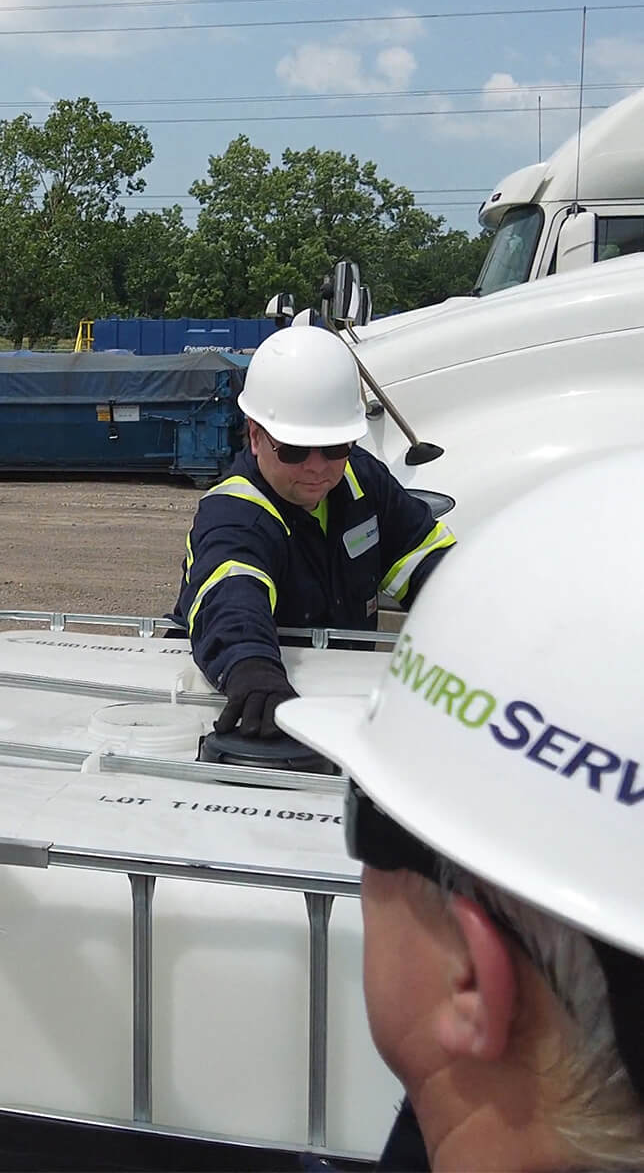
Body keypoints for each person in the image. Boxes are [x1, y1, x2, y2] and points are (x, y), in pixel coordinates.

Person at [279, 450, 644, 1171]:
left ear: (472, 979)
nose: (319, 463)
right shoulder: (241, 510)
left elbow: (420, 550)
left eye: (372, 814)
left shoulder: (364, 488)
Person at [172, 324, 454, 737]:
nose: (317, 467)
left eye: (336, 446)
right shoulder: (234, 512)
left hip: (343, 697)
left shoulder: (361, 480)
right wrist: (251, 667)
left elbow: (427, 558)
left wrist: (485, 613)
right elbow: (231, 592)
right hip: (247, 693)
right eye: (295, 450)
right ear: (255, 436)